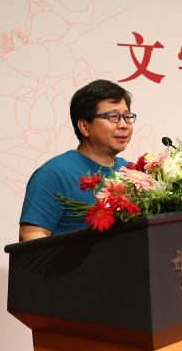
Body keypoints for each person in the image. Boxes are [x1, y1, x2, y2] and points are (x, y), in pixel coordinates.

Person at [19, 80, 136, 241]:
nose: (124, 125)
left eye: (127, 117)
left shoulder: (131, 172)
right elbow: (31, 236)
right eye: (113, 117)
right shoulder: (54, 174)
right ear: (84, 127)